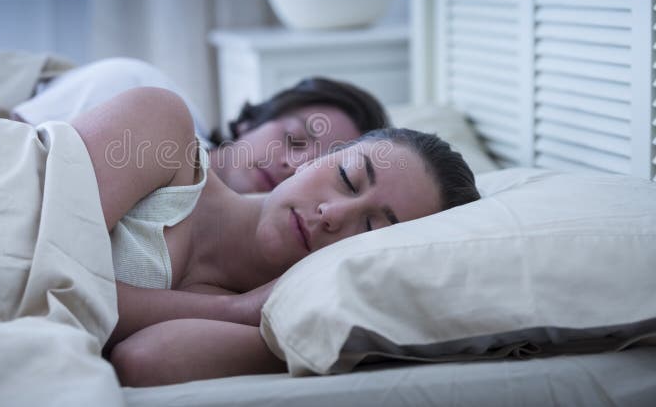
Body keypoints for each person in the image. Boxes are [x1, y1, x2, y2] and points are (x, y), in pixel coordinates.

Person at [70, 86, 481, 387]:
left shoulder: (258, 320)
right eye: (346, 178)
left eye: (371, 229)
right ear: (317, 159)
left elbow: (142, 361)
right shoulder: (164, 129)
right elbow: (45, 266)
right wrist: (239, 309)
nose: (332, 215)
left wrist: (255, 316)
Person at [12, 57, 389, 193]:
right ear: (250, 123)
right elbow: (3, 149)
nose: (294, 165)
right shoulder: (138, 90)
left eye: (319, 167)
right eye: (293, 139)